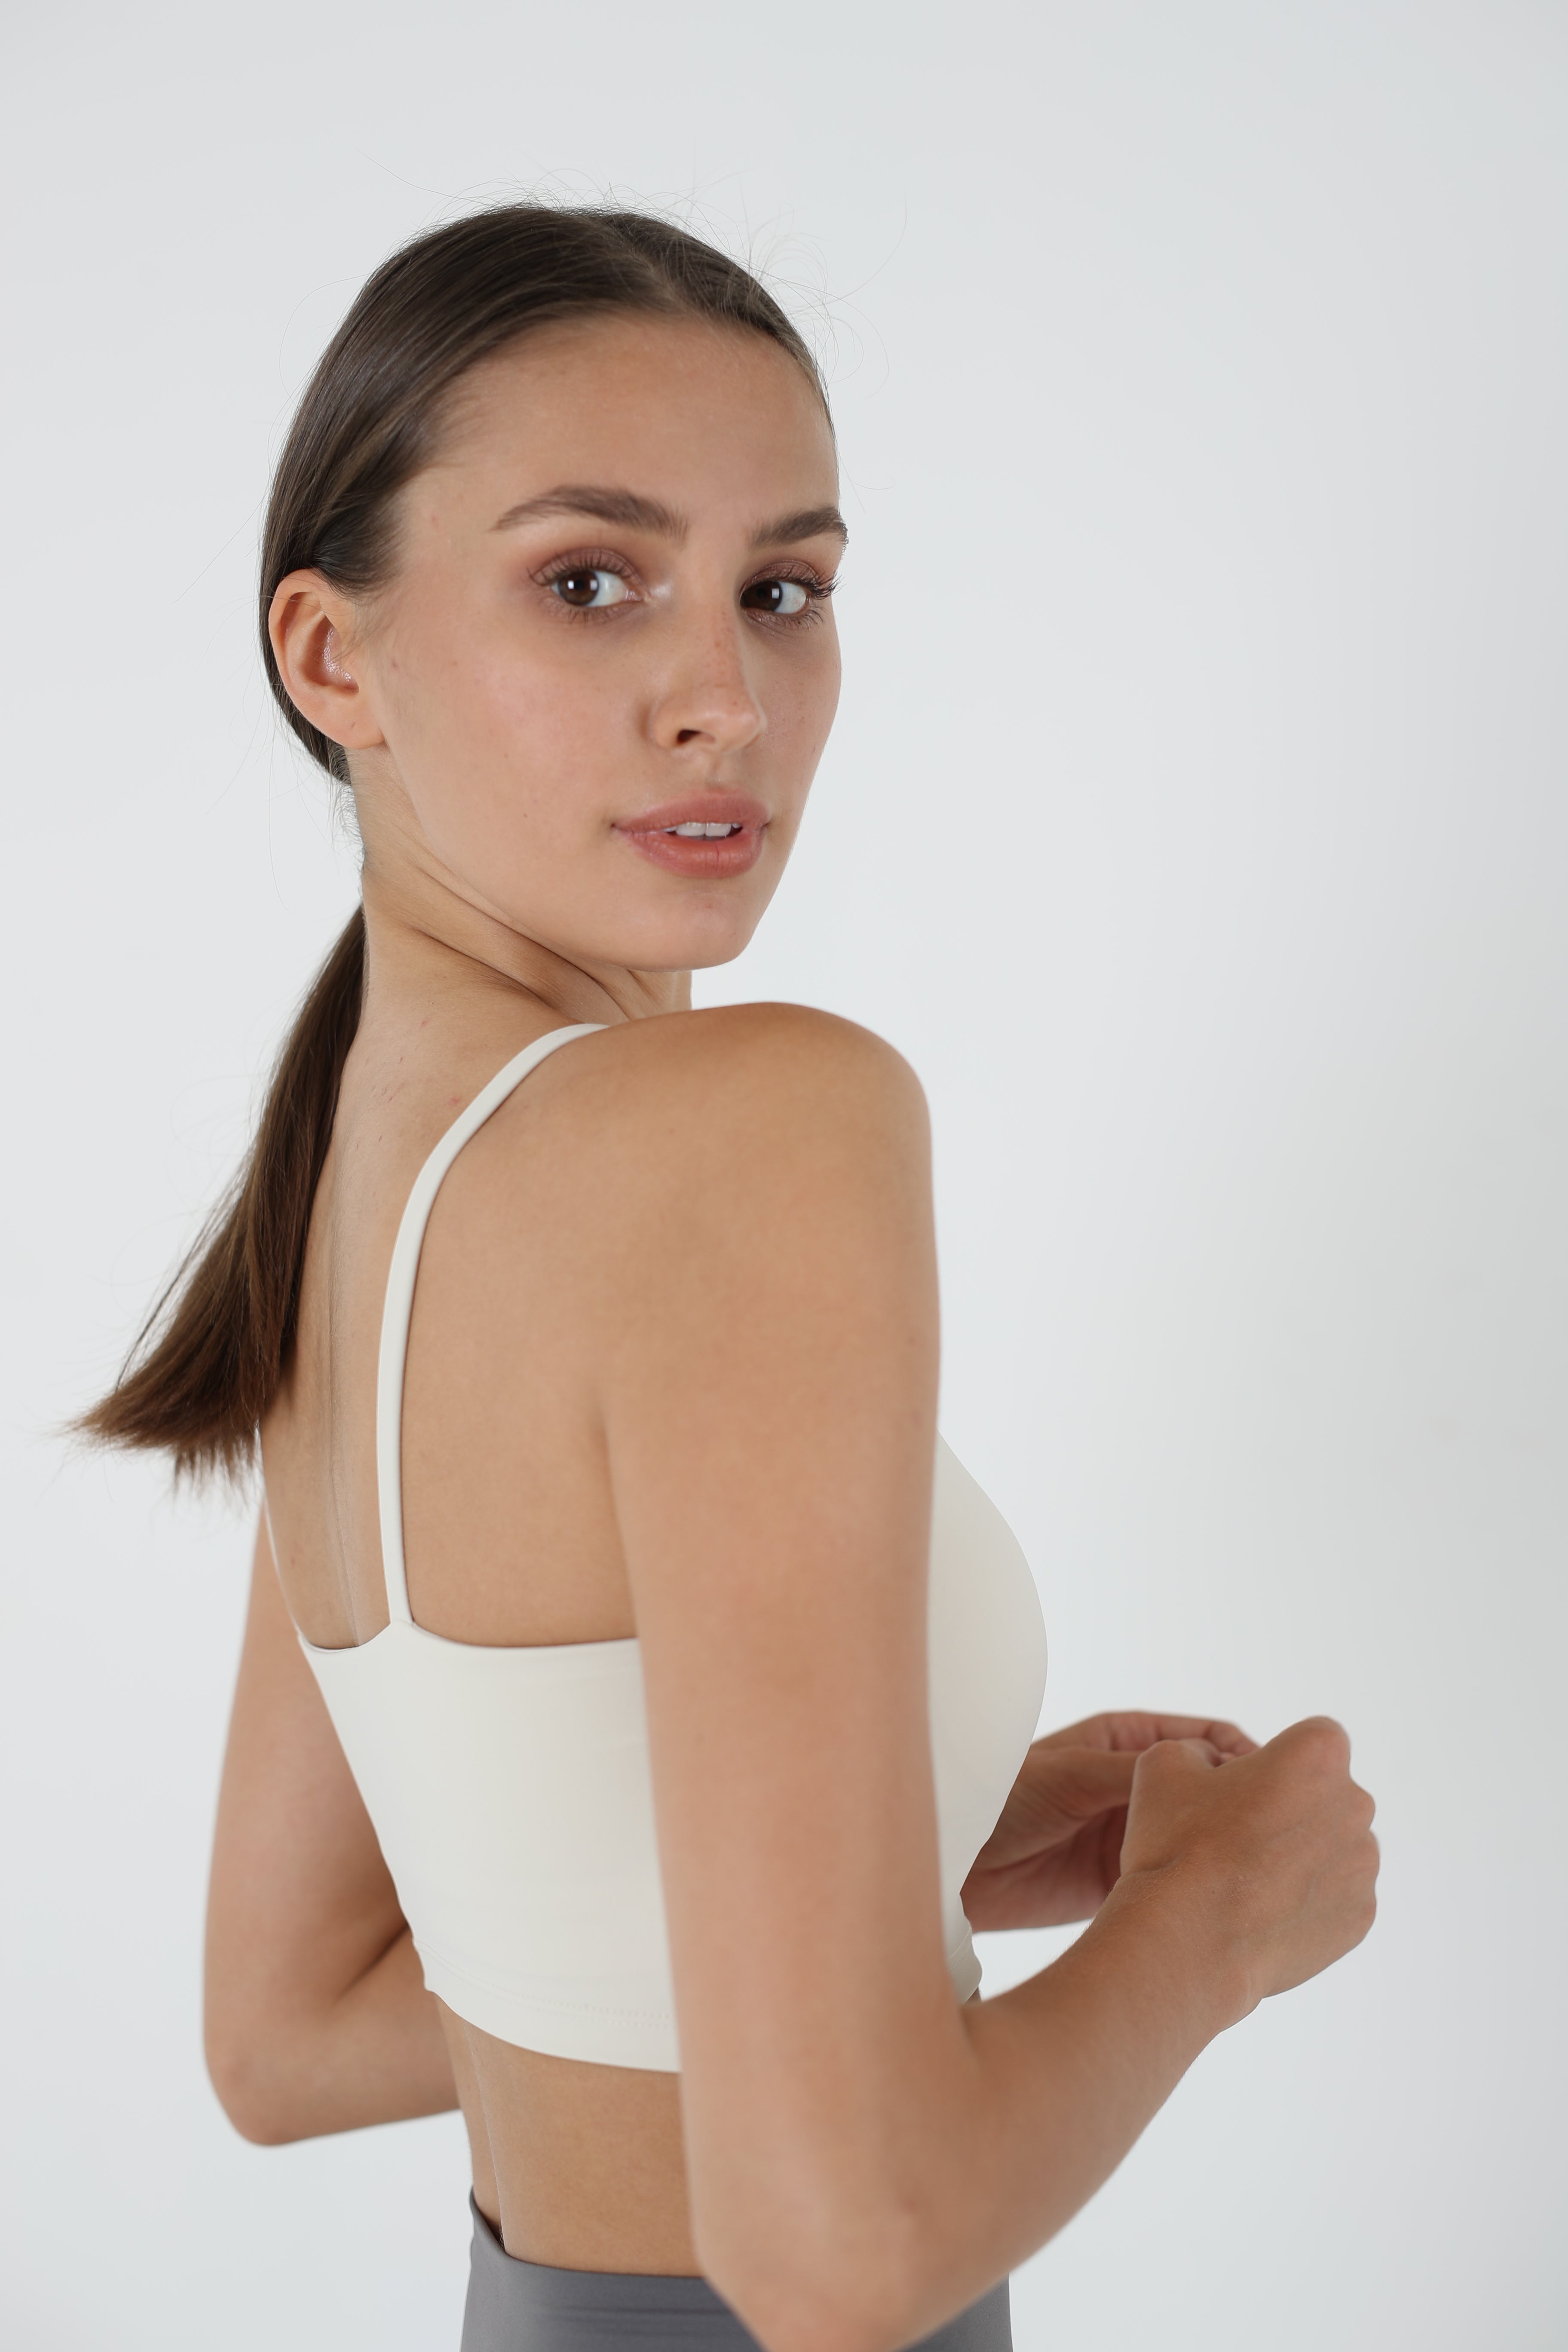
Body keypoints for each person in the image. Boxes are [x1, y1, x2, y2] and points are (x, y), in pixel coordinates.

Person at [80, 204, 1379, 2352]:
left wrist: (915, 1858)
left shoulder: (348, 1189)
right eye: (591, 583)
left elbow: (287, 2033)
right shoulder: (754, 1127)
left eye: (783, 590)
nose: (726, 699)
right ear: (331, 657)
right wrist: (1219, 1919)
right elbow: (844, 2251)